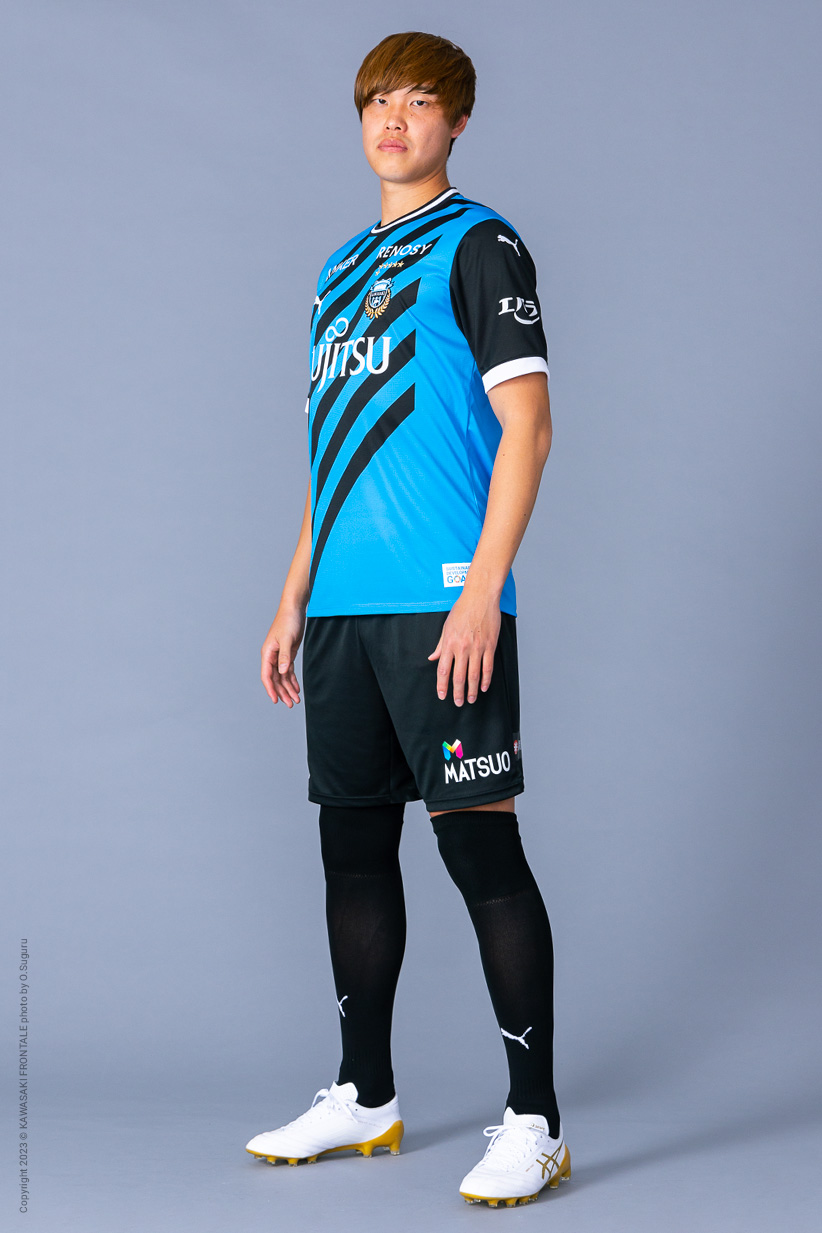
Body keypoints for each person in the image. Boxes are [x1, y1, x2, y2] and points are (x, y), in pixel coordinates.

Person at [245, 31, 570, 1208]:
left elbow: (529, 427)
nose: (394, 120)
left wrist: (481, 587)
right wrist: (293, 594)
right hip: (342, 610)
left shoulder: (481, 245)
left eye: (420, 100)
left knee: (479, 849)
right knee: (352, 849)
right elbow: (329, 456)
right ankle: (364, 1094)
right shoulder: (339, 269)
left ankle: (534, 1120)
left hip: (443, 605)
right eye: (377, 100)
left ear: (457, 121)